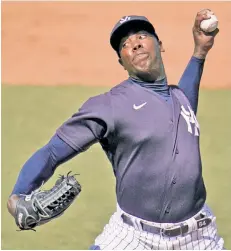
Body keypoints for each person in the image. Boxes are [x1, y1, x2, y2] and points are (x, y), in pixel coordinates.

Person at [7, 9, 224, 250]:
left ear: (160, 45)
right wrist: (17, 197)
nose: (135, 45)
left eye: (141, 36)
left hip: (199, 236)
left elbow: (186, 103)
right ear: (122, 61)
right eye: (125, 44)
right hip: (133, 237)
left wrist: (200, 52)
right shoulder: (109, 105)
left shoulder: (179, 100)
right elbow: (51, 152)